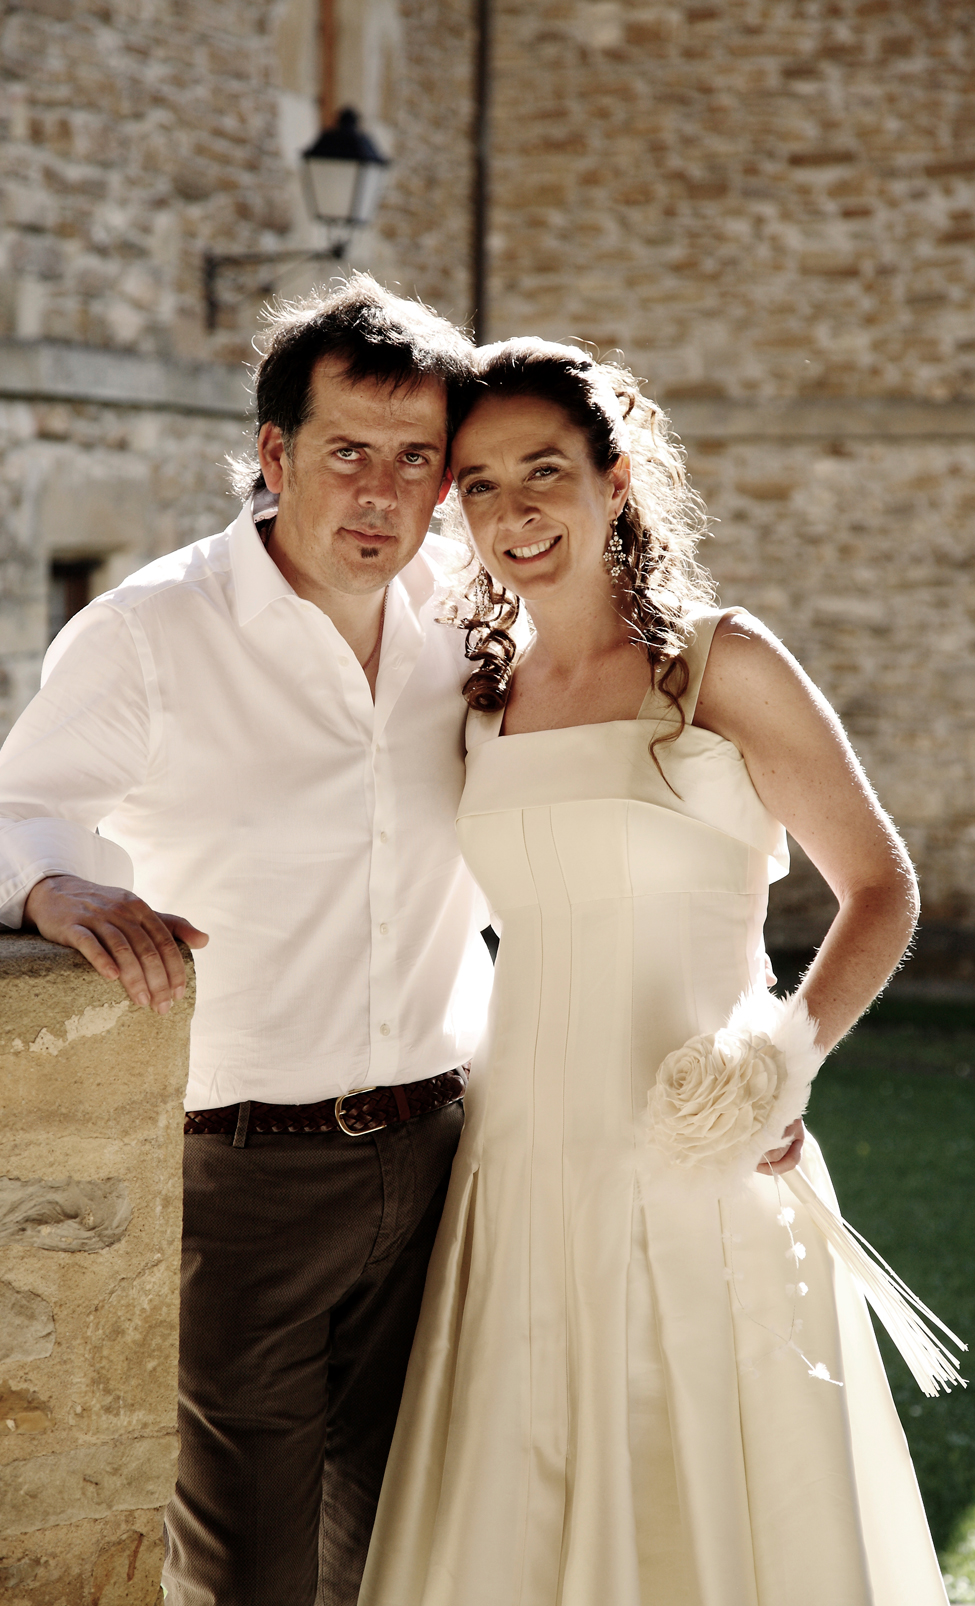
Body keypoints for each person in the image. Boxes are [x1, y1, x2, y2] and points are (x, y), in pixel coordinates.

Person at [358, 339, 953, 1606]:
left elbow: (881, 886)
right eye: (478, 485)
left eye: (544, 471)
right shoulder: (482, 693)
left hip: (697, 1158)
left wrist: (779, 1066)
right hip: (517, 1161)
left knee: (707, 1498)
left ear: (615, 478)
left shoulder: (719, 662)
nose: (514, 512)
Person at [0, 275, 496, 1606]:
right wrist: (50, 888)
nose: (380, 493)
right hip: (244, 1180)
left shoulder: (469, 621)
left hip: (446, 1154)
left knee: (402, 1559)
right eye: (346, 451)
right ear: (274, 454)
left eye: (413, 458)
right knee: (245, 1573)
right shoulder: (150, 631)